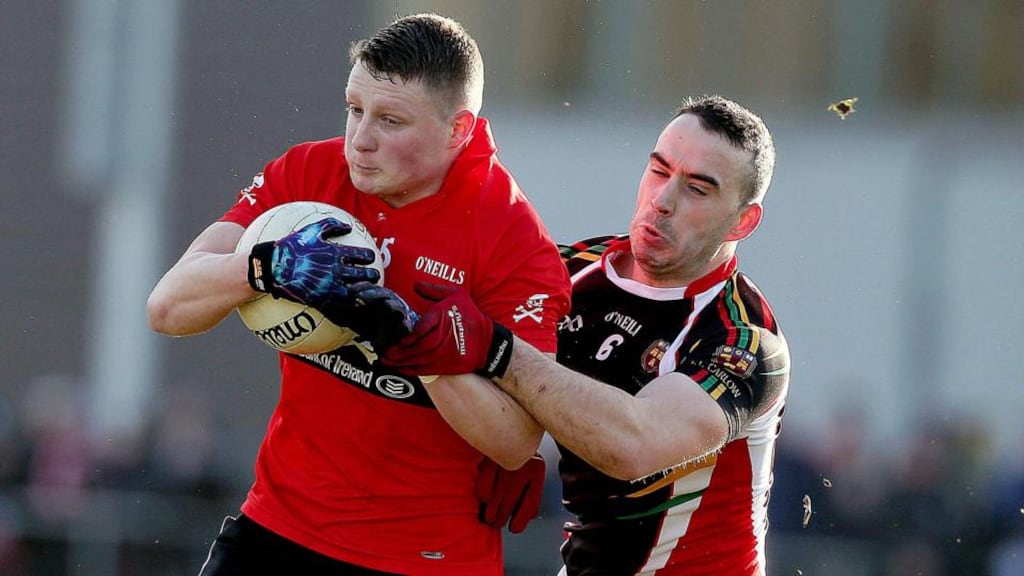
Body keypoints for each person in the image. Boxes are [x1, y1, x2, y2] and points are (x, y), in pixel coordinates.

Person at [147, 13, 569, 576]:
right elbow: (168, 307)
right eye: (354, 109)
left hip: (428, 560)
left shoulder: (513, 241)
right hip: (278, 525)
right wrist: (266, 267)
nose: (360, 140)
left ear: (458, 130)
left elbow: (516, 443)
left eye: (391, 120)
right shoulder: (309, 175)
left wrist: (409, 342)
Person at [383, 95, 791, 575]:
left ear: (743, 220)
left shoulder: (746, 341)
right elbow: (450, 338)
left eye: (698, 189)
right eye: (659, 171)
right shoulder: (565, 271)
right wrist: (500, 450)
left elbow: (632, 444)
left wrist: (497, 351)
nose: (663, 201)